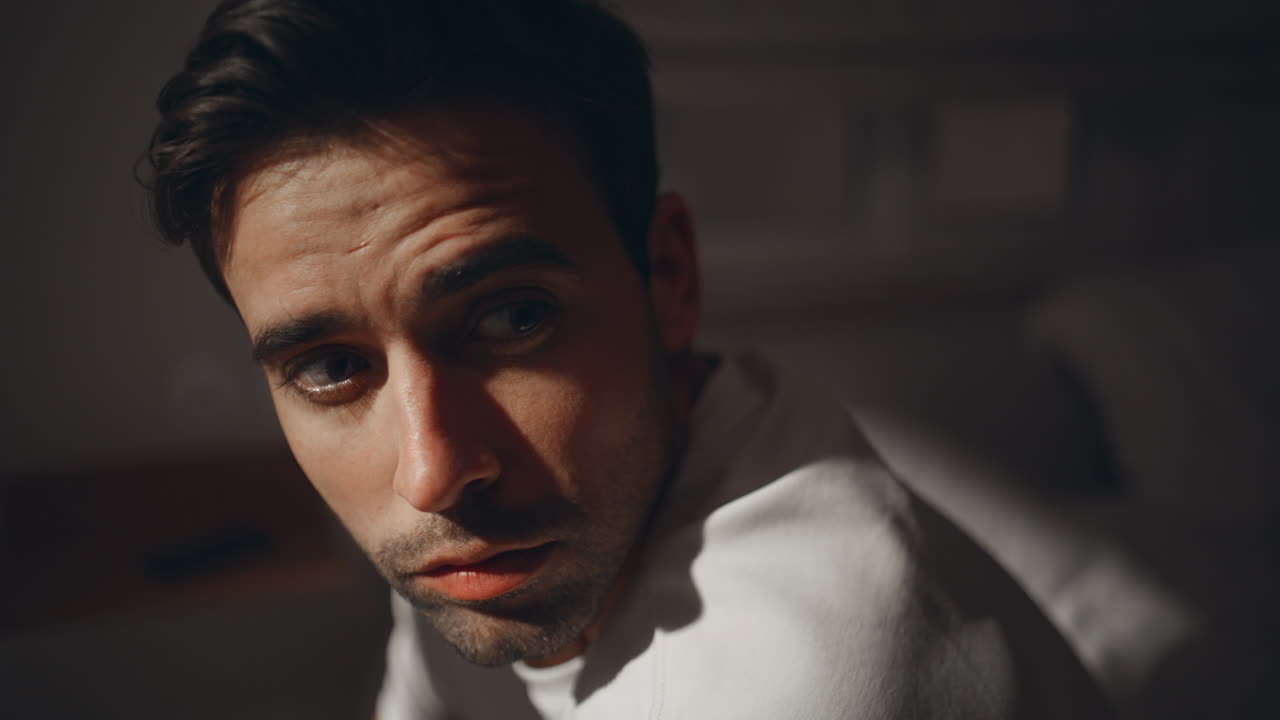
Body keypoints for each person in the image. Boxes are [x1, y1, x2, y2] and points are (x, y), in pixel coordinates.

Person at [145, 1, 1110, 717]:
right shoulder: (495, 532)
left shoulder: (794, 688)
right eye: (329, 368)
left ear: (669, 276)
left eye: (512, 318)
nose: (430, 474)